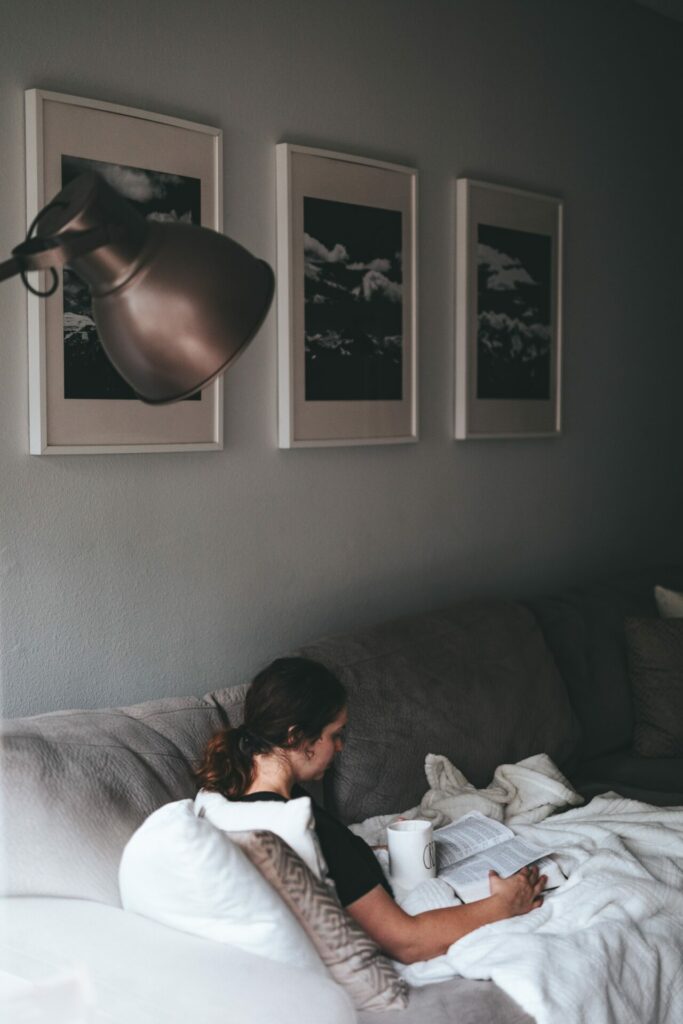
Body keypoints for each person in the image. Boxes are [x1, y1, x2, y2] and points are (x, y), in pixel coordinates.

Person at [195, 656, 545, 965]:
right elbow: (406, 941)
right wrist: (505, 904)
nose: (341, 746)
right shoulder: (302, 826)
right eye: (335, 734)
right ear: (295, 738)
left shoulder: (232, 795)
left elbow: (340, 870)